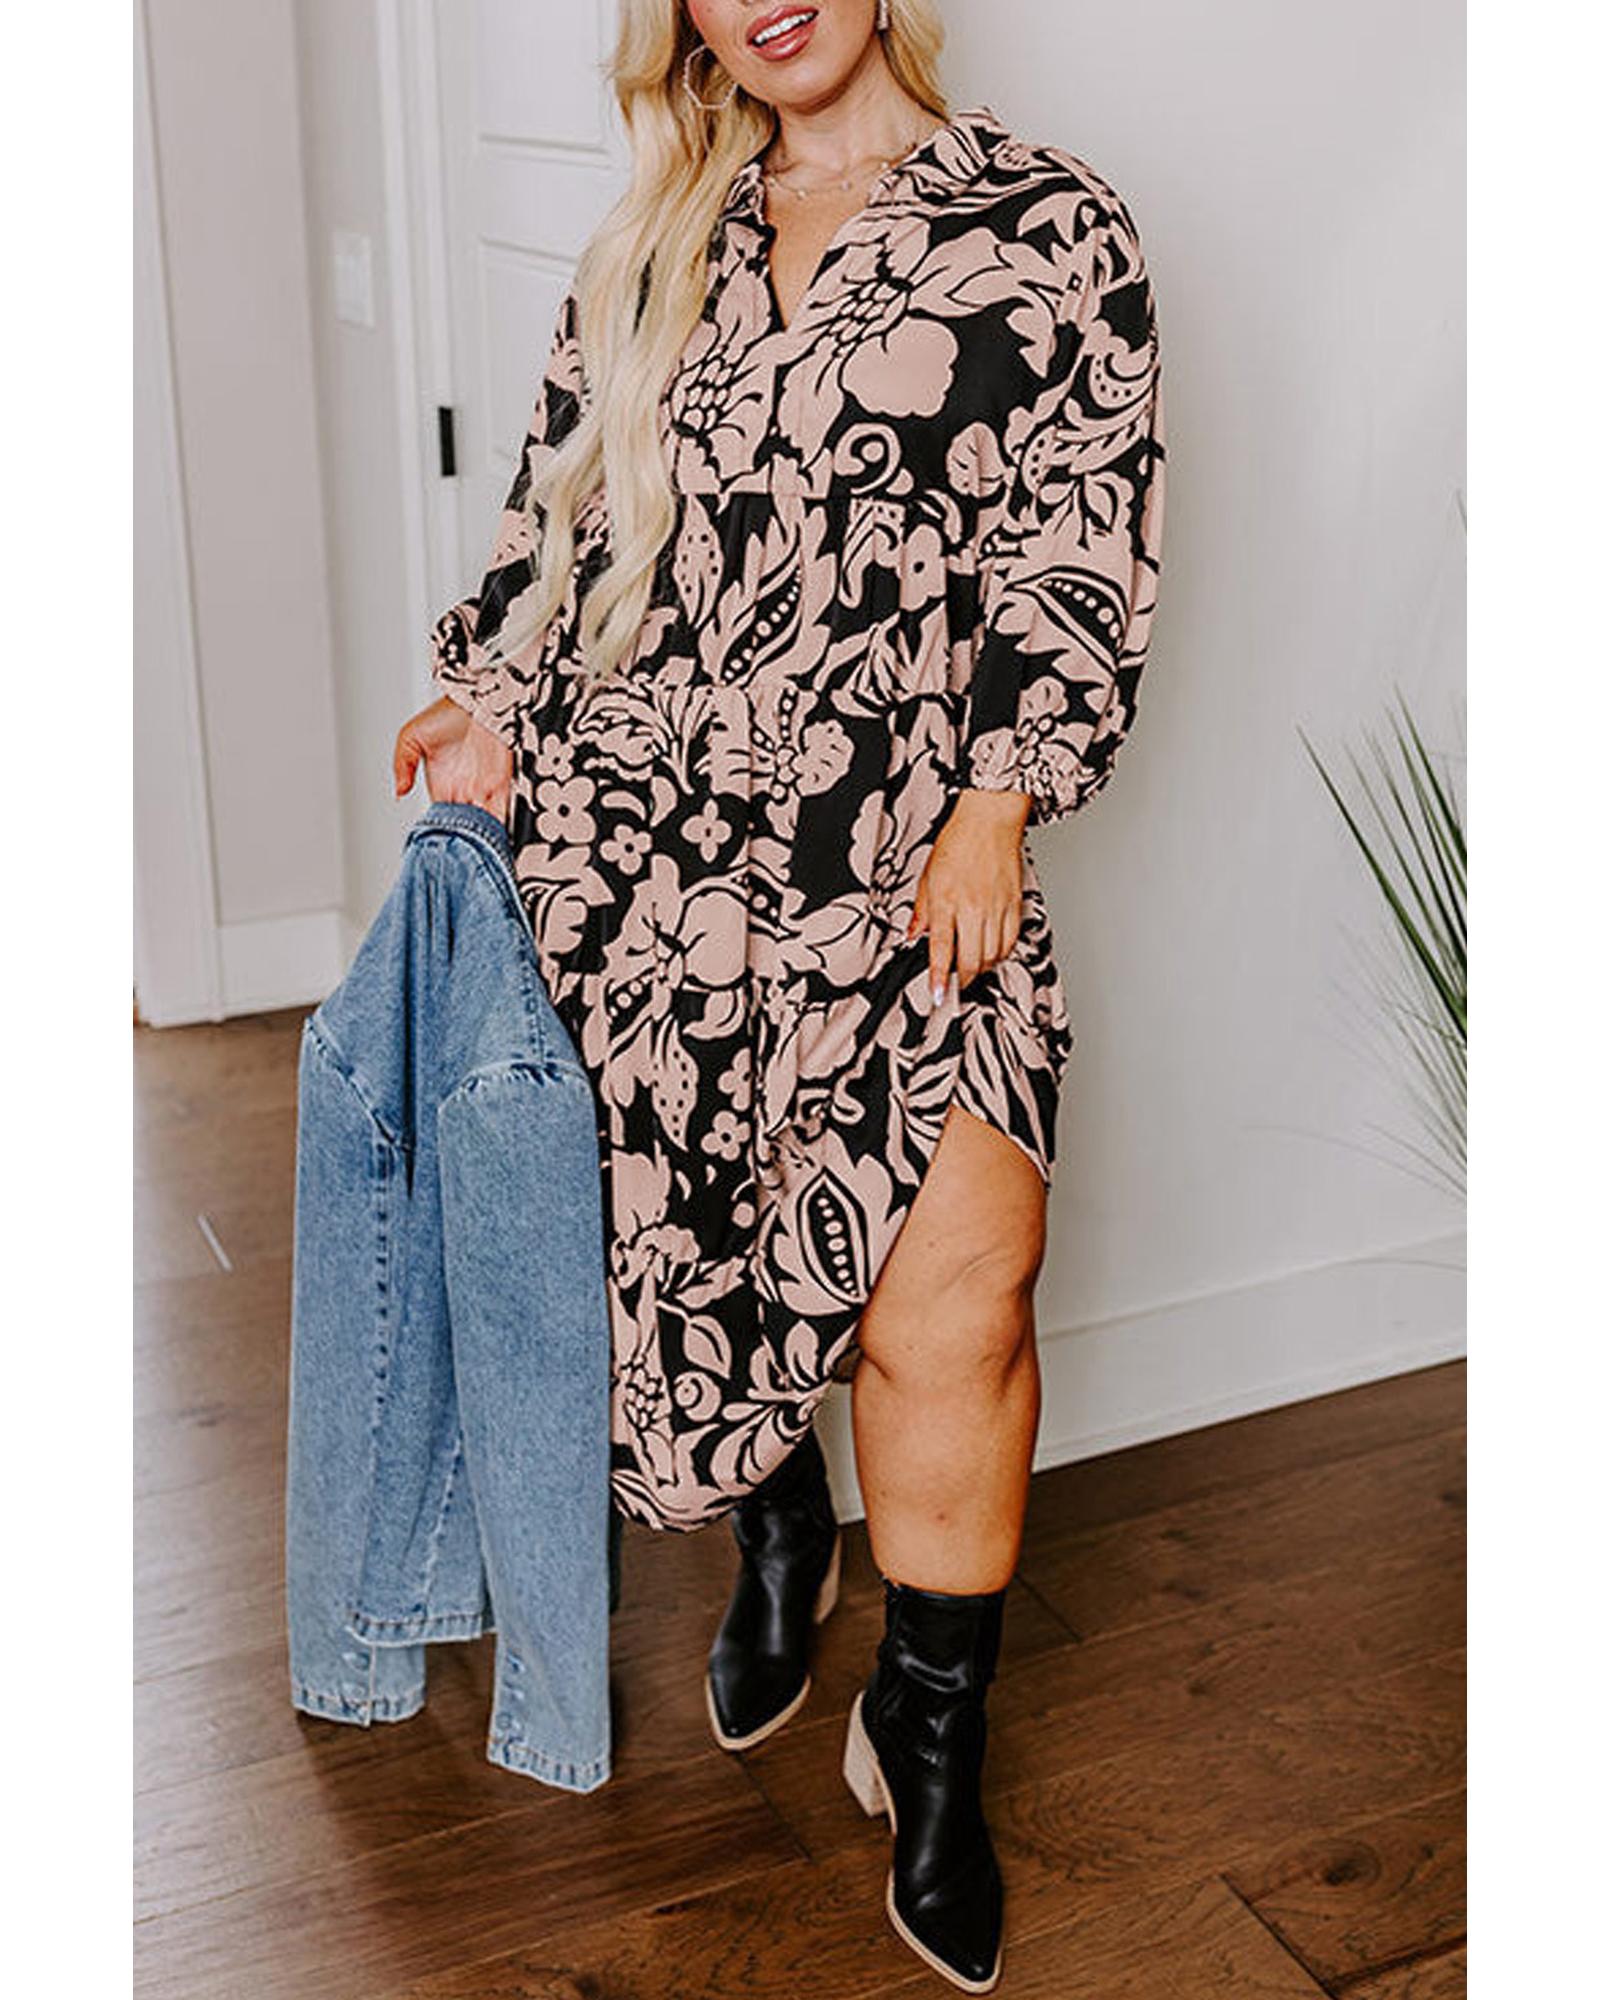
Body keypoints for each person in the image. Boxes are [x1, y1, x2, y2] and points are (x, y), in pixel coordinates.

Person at [394, 2, 1166, 1988]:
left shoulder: (1045, 223)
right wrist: (487, 703)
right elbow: (560, 519)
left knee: (960, 1302)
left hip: (908, 869)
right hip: (645, 872)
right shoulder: (659, 235)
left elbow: (1072, 545)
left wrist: (998, 804)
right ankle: (777, 1524)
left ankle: (926, 1735)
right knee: (709, 1263)